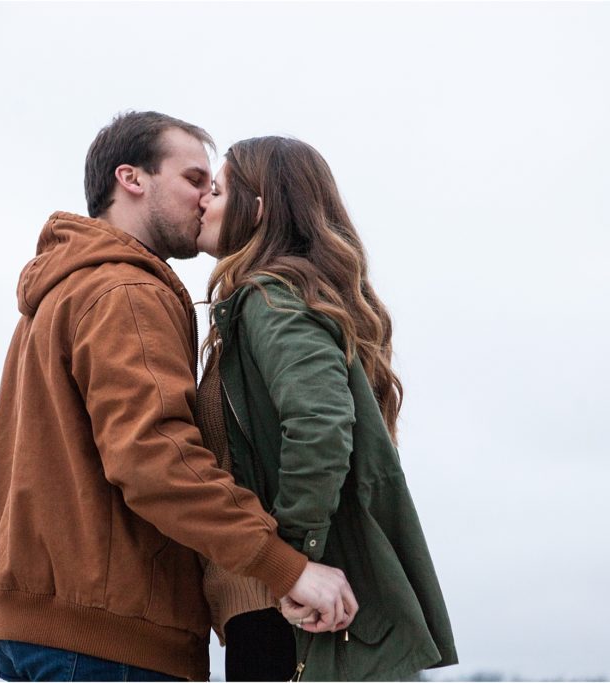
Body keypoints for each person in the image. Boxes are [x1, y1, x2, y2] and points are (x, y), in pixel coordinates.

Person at [0, 112, 358, 683]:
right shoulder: (127, 291)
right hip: (111, 637)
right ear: (132, 179)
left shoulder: (64, 287)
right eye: (195, 179)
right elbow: (153, 457)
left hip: (39, 627)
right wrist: (288, 567)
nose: (208, 199)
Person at [193, 136, 458, 681]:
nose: (202, 202)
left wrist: (293, 564)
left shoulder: (270, 299)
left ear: (258, 207)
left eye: (216, 190)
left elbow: (319, 426)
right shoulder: (284, 299)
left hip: (286, 614)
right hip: (281, 606)